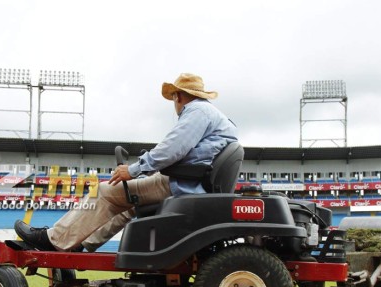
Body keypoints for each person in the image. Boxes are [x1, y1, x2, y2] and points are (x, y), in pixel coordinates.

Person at [15, 73, 238, 252]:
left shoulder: (196, 110)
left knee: (105, 190)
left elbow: (172, 149)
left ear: (178, 96)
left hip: (182, 184)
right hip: (191, 182)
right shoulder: (215, 116)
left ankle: (54, 239)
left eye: (173, 98)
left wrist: (133, 170)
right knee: (128, 206)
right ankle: (81, 244)